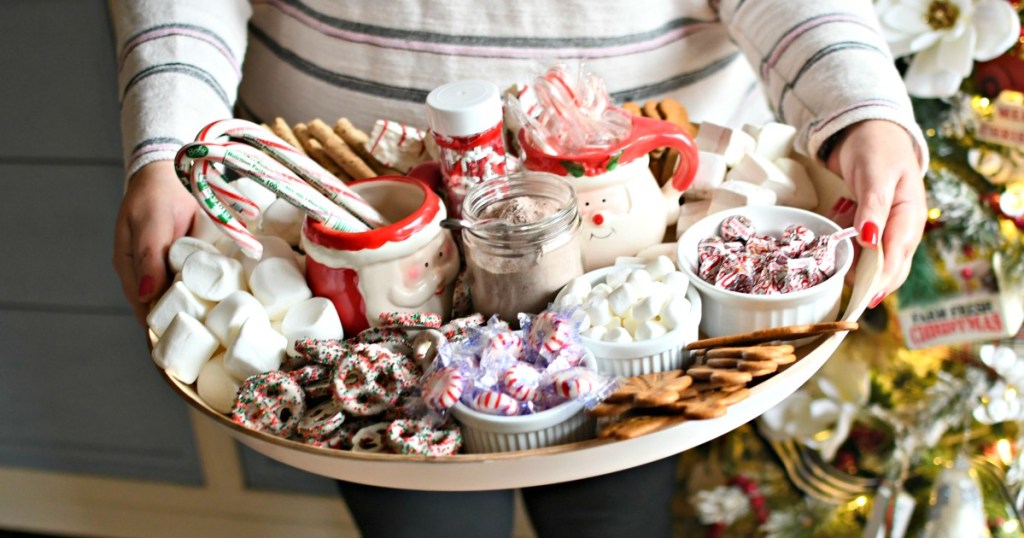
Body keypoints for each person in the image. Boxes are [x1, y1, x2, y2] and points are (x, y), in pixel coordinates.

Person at [110, 1, 928, 536]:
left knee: (612, 511)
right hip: (350, 253)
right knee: (418, 520)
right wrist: (169, 129)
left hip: (647, 251)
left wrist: (860, 107)